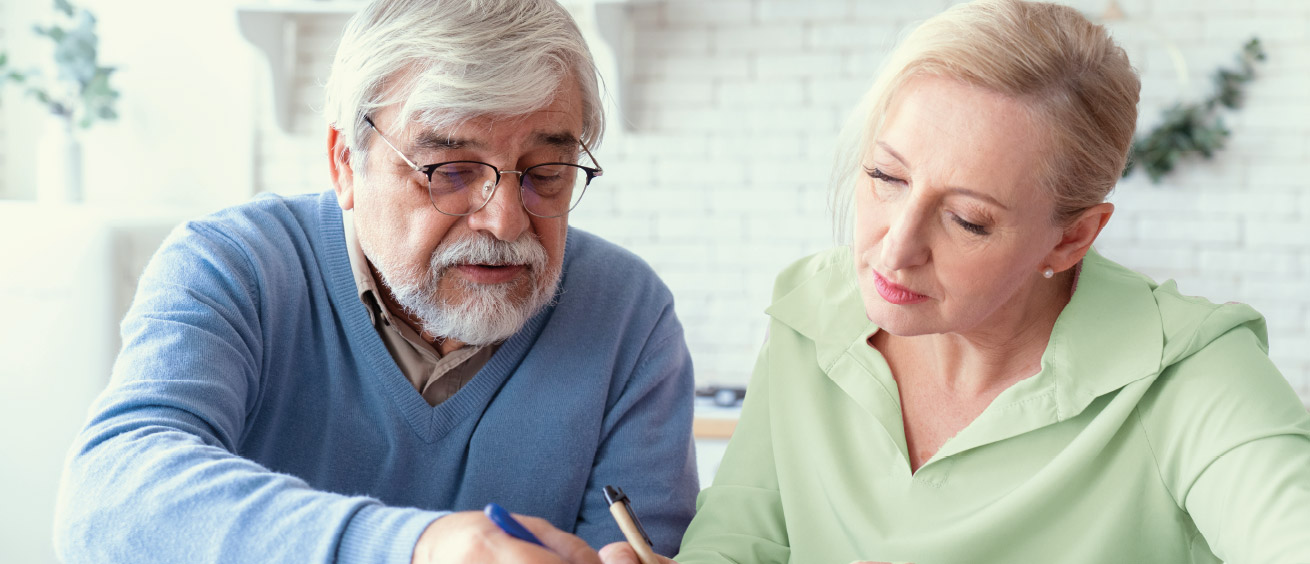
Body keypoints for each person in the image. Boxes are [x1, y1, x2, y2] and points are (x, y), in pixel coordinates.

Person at [600, 1, 1310, 563]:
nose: (895, 248)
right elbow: (738, 542)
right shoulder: (811, 314)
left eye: (968, 220)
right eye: (885, 177)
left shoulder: (1189, 372)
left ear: (1071, 238)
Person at [52, 1, 699, 563]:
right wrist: (417, 549)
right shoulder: (234, 265)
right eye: (450, 171)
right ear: (345, 163)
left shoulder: (629, 315)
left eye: (548, 172)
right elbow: (108, 502)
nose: (505, 220)